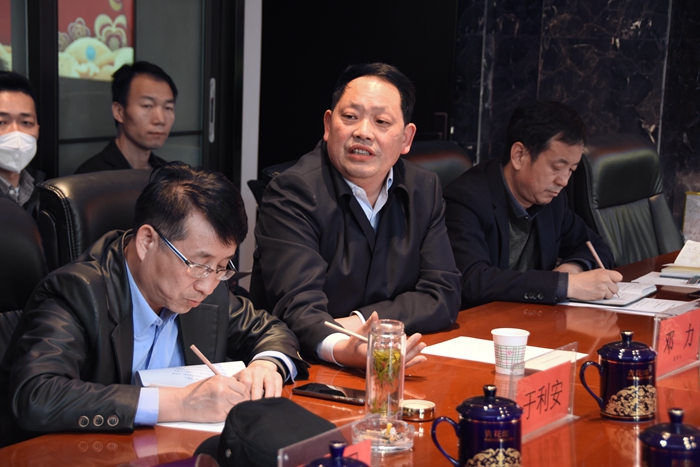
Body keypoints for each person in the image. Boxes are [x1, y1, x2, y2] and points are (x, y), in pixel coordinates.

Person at [0, 162, 308, 447]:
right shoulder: (77, 292)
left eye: (222, 266)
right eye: (198, 264)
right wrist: (180, 403)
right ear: (147, 241)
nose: (208, 284)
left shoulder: (207, 286)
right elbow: (36, 395)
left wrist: (267, 364)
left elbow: (269, 329)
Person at [249, 63, 461, 368]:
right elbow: (298, 310)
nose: (363, 132)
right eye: (350, 117)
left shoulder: (424, 189)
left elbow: (443, 294)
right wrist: (346, 348)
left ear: (406, 138)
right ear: (327, 124)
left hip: (392, 358)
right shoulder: (292, 192)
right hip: (301, 368)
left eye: (381, 121)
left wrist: (361, 322)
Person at [443, 99, 622, 309]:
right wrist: (564, 285)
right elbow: (472, 281)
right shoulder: (466, 199)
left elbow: (597, 247)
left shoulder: (552, 200)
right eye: (557, 167)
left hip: (530, 318)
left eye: (571, 170)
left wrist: (572, 270)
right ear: (519, 155)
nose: (564, 181)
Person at [74, 61, 175, 174]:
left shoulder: (168, 174)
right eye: (147, 105)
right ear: (119, 112)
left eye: (168, 108)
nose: (160, 120)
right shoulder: (91, 177)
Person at [0, 71, 45, 217]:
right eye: (1, 122)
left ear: (37, 130)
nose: (16, 132)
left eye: (26, 122)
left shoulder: (46, 191)